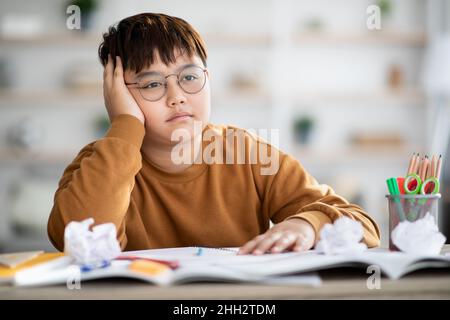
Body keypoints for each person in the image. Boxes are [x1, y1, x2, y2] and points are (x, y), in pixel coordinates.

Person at [48, 13, 380, 255]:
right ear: (118, 94)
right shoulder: (101, 163)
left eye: (189, 77)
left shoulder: (248, 153)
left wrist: (308, 225)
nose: (176, 96)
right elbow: (77, 242)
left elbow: (363, 225)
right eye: (151, 84)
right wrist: (124, 126)